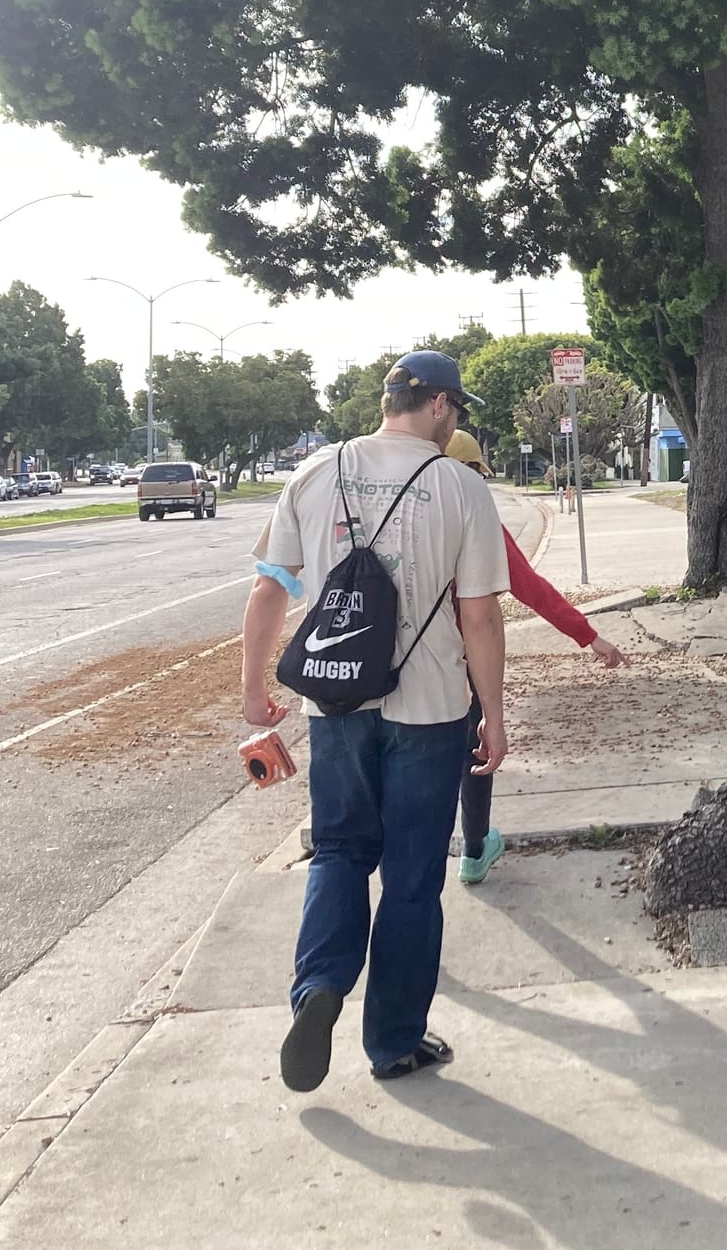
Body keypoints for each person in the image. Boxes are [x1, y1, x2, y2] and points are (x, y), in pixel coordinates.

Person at [241, 350, 510, 1093]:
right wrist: (493, 712)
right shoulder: (459, 485)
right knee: (413, 878)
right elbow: (480, 616)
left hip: (334, 703)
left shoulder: (313, 472)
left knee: (338, 851)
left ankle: (320, 985)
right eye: (456, 409)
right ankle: (393, 1039)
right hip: (429, 711)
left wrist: (252, 691)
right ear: (442, 407)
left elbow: (269, 592)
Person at [442, 427, 627, 883]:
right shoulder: (478, 521)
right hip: (463, 664)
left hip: (406, 667)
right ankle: (474, 850)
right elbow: (531, 589)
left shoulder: (400, 514)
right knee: (476, 752)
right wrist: (589, 636)